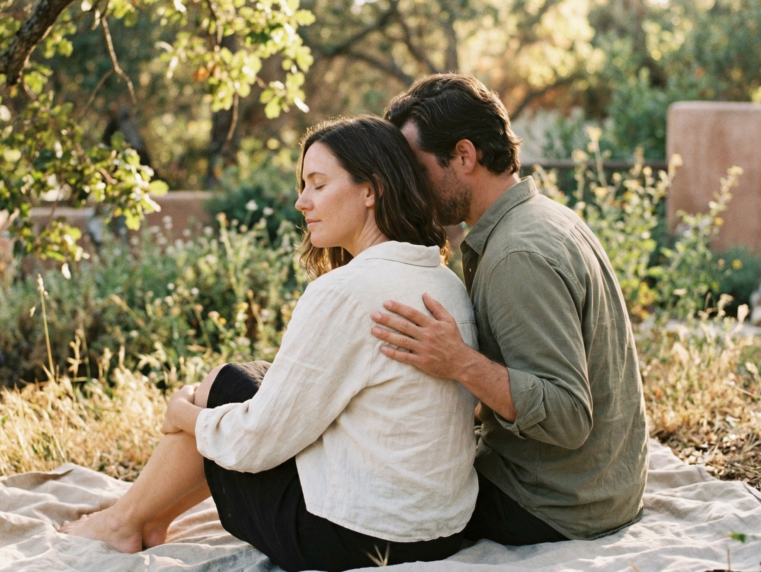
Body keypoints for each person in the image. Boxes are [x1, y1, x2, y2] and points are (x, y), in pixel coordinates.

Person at [60, 116, 480, 571]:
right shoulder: (443, 280)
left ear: (371, 190)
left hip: (353, 539)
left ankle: (123, 522)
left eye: (318, 185)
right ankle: (147, 519)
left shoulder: (346, 291)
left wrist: (184, 414)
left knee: (223, 388)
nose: (302, 202)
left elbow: (258, 444)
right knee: (241, 381)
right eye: (304, 185)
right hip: (441, 532)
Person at [369, 74, 649, 545]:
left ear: (463, 155)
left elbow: (566, 416)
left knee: (366, 501)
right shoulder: (542, 218)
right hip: (597, 490)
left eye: (417, 172)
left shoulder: (518, 254)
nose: (411, 190)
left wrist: (458, 361)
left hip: (553, 507)